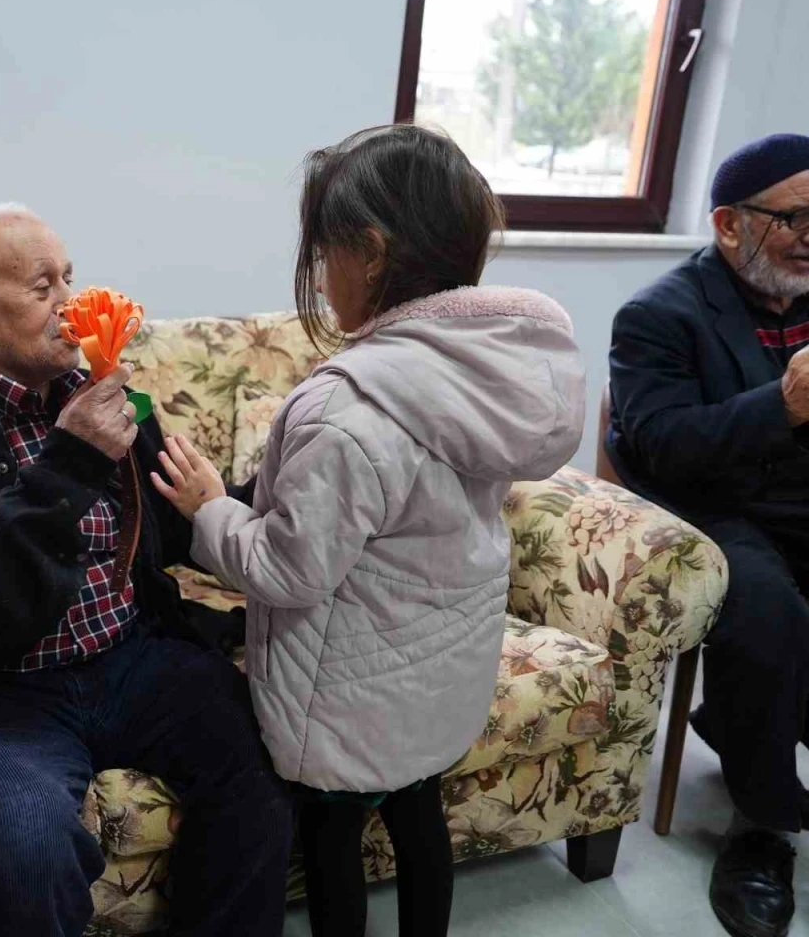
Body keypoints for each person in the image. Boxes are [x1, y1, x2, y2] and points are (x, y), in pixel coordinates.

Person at [151, 124, 586, 937]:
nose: (320, 278)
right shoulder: (484, 374)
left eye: (324, 255)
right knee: (421, 818)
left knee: (332, 837)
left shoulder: (348, 409)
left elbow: (288, 571)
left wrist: (209, 506)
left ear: (373, 254)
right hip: (440, 677)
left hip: (347, 694)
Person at [0, 203, 294, 937]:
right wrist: (70, 462)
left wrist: (279, 482)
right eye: (42, 286)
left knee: (272, 758)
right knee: (23, 849)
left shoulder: (102, 398)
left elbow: (173, 525)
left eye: (69, 280)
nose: (71, 306)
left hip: (127, 655)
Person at [608, 133, 809, 937]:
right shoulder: (658, 315)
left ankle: (738, 723)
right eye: (795, 219)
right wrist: (783, 405)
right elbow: (662, 444)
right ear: (730, 224)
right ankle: (764, 826)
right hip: (716, 508)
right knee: (766, 610)